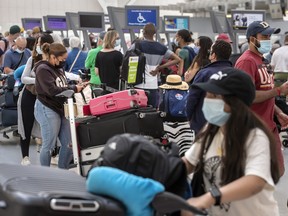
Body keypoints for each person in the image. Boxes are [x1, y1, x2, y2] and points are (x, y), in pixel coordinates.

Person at [182, 68, 280, 216]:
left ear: (235, 103)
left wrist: (208, 198)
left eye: (214, 96)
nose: (207, 100)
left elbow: (255, 181)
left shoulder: (255, 136)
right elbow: (189, 162)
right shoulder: (211, 129)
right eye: (207, 95)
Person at [235, 21, 288, 176]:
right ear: (252, 39)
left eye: (269, 36)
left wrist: (277, 112)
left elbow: (265, 92)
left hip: (268, 125)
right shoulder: (247, 61)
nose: (268, 39)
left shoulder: (261, 61)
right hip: (254, 128)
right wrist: (279, 90)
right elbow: (248, 96)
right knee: (260, 175)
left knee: (277, 171)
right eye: (264, 36)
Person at [34, 42, 85, 169]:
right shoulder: (42, 70)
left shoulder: (58, 68)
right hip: (47, 108)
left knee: (69, 143)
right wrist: (73, 88)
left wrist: (74, 87)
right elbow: (52, 90)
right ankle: (45, 173)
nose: (64, 62)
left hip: (60, 108)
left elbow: (62, 85)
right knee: (49, 146)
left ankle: (62, 171)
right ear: (52, 57)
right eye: (62, 59)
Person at [19, 34, 54, 166]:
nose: (38, 45)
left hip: (45, 97)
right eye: (37, 43)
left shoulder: (53, 60)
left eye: (40, 43)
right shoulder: (32, 60)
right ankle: (25, 156)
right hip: (30, 95)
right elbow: (24, 78)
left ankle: (51, 154)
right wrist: (39, 80)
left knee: (48, 127)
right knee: (26, 126)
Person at [186, 40, 232, 136]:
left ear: (213, 55)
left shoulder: (204, 73)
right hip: (228, 124)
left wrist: (189, 116)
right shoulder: (235, 73)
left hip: (203, 123)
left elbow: (192, 97)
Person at [130, 23, 181, 108]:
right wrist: (159, 67)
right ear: (154, 33)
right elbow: (178, 59)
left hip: (138, 85)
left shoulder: (137, 45)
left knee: (137, 112)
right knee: (153, 112)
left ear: (144, 32)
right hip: (153, 85)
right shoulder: (161, 47)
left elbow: (127, 58)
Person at [159, 74, 194, 156]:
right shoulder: (186, 92)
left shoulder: (164, 93)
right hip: (185, 124)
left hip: (168, 124)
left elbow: (160, 108)